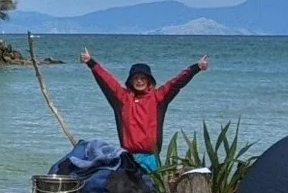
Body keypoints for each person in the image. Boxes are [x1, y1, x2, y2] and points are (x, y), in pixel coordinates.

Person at [77, 48, 208, 179]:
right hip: (129, 157)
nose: (139, 81)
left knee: (151, 188)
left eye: (143, 78)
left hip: (151, 158)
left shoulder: (158, 98)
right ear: (130, 81)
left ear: (149, 80)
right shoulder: (122, 99)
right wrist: (91, 62)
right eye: (136, 78)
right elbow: (107, 81)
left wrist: (196, 68)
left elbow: (176, 83)